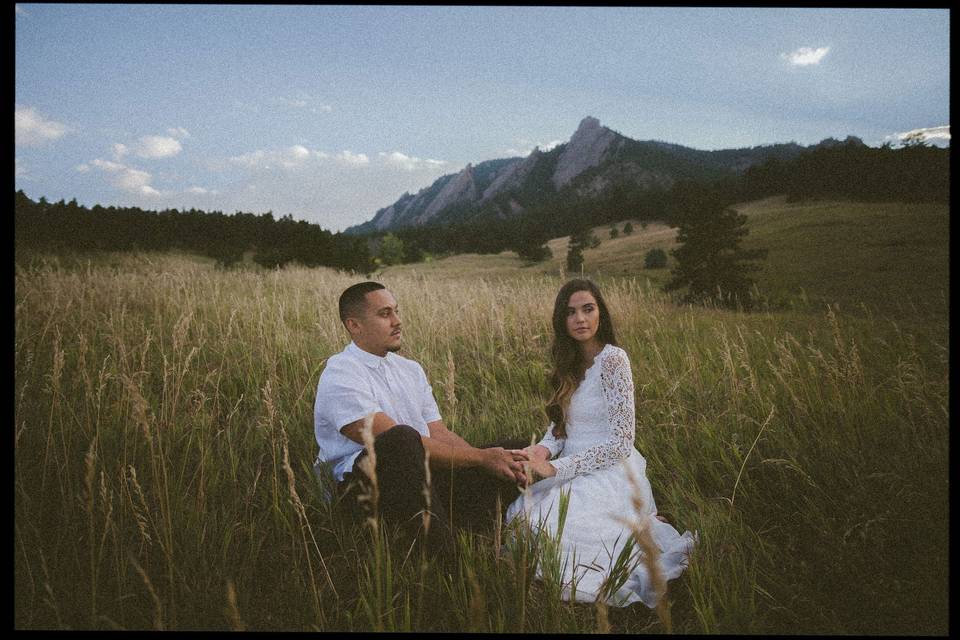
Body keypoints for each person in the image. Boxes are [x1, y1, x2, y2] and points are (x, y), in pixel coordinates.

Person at [505, 279, 697, 607]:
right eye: (571, 312)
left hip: (610, 469)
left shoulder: (614, 360)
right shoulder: (569, 364)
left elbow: (621, 442)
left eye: (588, 309)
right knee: (526, 519)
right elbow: (561, 427)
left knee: (555, 528)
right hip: (570, 463)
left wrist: (554, 467)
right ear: (561, 321)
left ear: (600, 314)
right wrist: (542, 449)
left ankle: (640, 531)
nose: (580, 318)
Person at [313, 281, 530, 548]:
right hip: (362, 492)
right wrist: (482, 458)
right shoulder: (340, 372)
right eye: (385, 314)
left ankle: (481, 532)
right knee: (401, 439)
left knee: (515, 450)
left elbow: (438, 433)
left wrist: (488, 462)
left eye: (396, 311)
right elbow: (392, 443)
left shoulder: (410, 369)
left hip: (419, 476)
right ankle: (450, 557)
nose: (397, 321)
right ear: (354, 325)